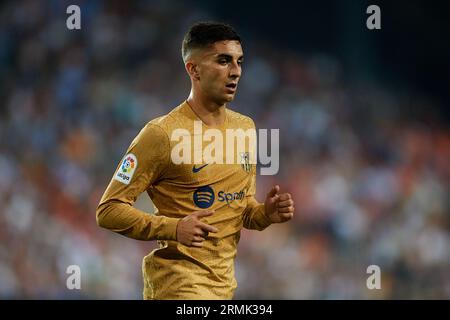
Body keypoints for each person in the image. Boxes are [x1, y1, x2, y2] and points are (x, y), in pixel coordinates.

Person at [96, 21, 295, 300]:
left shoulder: (245, 128)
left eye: (239, 61)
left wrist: (264, 214)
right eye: (223, 61)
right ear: (193, 69)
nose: (235, 71)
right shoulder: (161, 134)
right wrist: (174, 228)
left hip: (224, 289)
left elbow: (238, 207)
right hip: (177, 288)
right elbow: (108, 210)